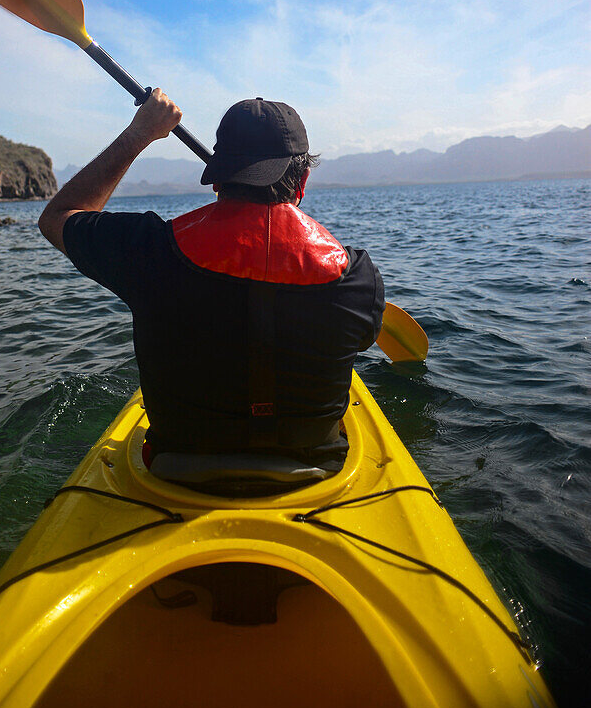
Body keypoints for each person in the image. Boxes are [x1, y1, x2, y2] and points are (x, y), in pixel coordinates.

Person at [38, 91, 384, 480]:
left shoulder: (148, 249)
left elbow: (58, 217)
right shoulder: (357, 276)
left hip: (173, 472)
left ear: (216, 180)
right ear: (302, 182)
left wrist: (140, 134)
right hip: (318, 474)